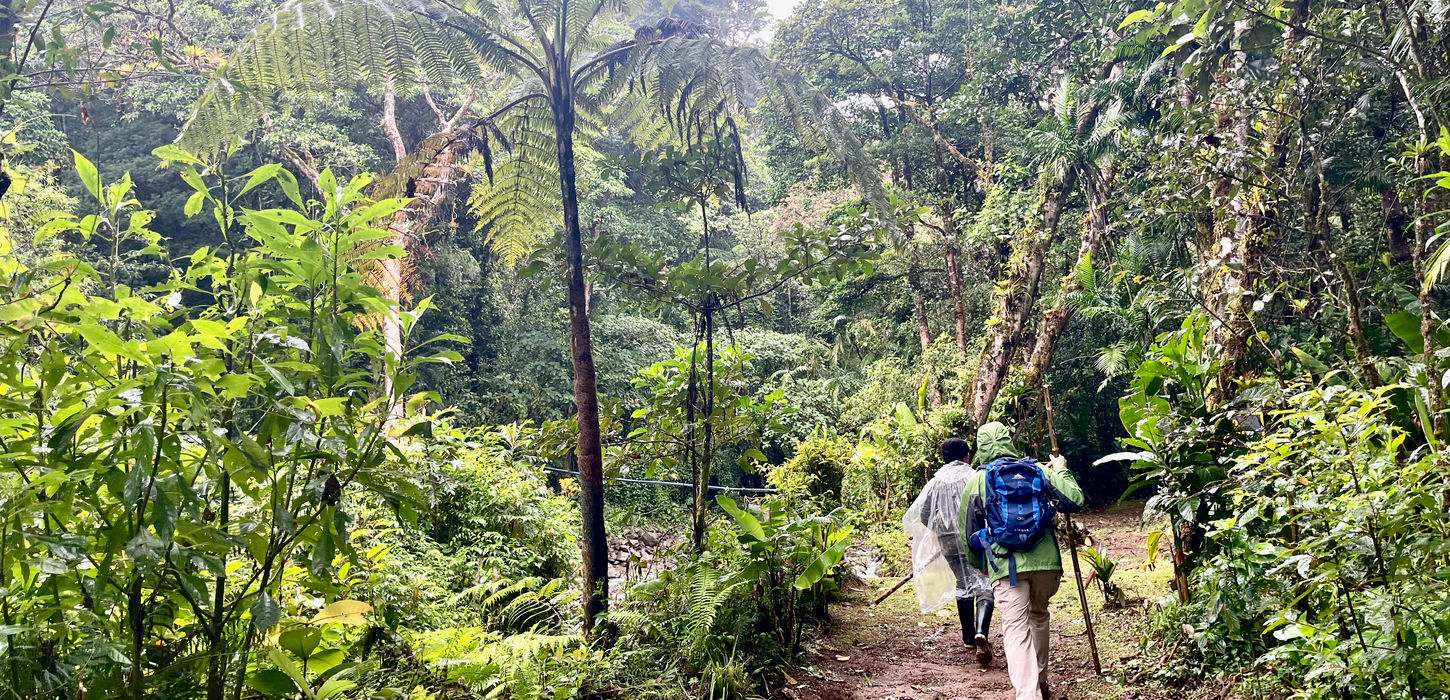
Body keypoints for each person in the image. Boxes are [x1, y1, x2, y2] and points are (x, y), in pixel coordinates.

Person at [958, 422, 1084, 700]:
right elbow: (1074, 500)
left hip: (1005, 564)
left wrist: (982, 564)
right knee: (1038, 616)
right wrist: (1060, 468)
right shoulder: (1037, 469)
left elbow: (968, 533)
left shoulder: (977, 480)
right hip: (1046, 563)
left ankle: (1029, 695)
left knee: (1015, 627)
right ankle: (1041, 681)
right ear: (1009, 441)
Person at [903, 438, 996, 664]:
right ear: (966, 456)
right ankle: (981, 632)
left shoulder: (935, 482)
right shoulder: (974, 476)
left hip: (948, 542)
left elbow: (923, 513)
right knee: (984, 584)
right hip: (974, 538)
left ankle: (968, 638)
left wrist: (941, 530)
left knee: (963, 582)